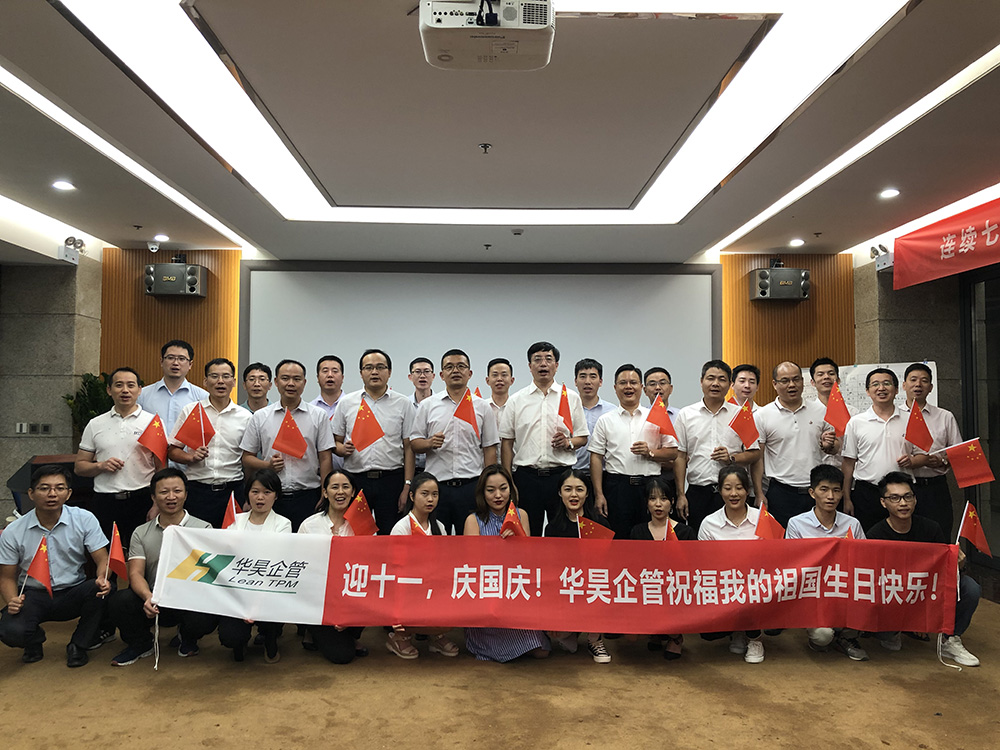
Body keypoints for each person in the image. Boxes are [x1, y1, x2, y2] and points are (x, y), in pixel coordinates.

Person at [0, 465, 111, 667]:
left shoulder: (84, 519)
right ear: (31, 494)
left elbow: (103, 559)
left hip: (73, 591)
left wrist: (103, 577)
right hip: (33, 594)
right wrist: (12, 600)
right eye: (44, 488)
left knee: (102, 589)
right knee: (10, 631)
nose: (52, 494)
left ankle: (78, 645)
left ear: (68, 494)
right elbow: (7, 576)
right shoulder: (14, 531)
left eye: (59, 488)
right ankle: (33, 640)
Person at [867, 472, 980, 667]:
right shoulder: (875, 535)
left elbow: (945, 573)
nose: (903, 503)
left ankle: (950, 638)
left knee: (970, 587)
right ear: (883, 502)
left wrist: (958, 564)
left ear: (915, 499)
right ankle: (894, 631)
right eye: (895, 498)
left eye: (907, 496)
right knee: (886, 635)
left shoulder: (931, 529)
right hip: (893, 595)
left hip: (926, 592)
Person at [108, 468, 217, 666]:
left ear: (186, 494)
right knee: (120, 601)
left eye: (177, 491)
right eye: (164, 492)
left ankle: (188, 637)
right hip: (152, 597)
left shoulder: (204, 529)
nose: (171, 497)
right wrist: (148, 597)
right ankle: (141, 643)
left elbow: (207, 575)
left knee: (207, 612)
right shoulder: (141, 532)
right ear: (153, 497)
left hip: (188, 599)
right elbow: (135, 573)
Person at [462, 464, 550, 661]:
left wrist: (518, 541)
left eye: (503, 488)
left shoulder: (521, 515)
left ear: (511, 489)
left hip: (514, 589)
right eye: (490, 490)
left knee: (542, 652)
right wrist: (501, 548)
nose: (498, 495)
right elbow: (471, 564)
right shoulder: (473, 520)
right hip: (487, 591)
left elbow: (528, 561)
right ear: (482, 493)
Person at [500, 342, 588, 537]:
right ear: (530, 366)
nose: (543, 364)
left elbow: (582, 437)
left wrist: (568, 443)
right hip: (527, 478)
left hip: (561, 477)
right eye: (537, 360)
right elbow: (507, 442)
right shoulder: (516, 400)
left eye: (548, 359)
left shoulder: (571, 397)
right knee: (527, 534)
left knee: (563, 533)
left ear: (556, 365)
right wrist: (509, 480)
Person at [410, 349, 500, 534]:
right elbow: (414, 443)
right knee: (437, 541)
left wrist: (488, 484)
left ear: (470, 373)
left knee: (469, 542)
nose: (456, 370)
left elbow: (490, 448)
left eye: (461, 366)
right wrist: (429, 443)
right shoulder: (428, 405)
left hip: (471, 486)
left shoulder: (482, 406)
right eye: (449, 367)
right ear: (442, 375)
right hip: (437, 488)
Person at [784, 465, 868, 661]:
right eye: (824, 489)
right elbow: (793, 565)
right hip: (813, 592)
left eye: (836, 490)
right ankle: (821, 636)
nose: (831, 496)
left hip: (844, 587)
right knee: (823, 637)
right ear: (812, 493)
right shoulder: (797, 524)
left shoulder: (852, 524)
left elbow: (864, 561)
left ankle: (847, 637)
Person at [240, 359, 334, 531]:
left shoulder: (318, 416)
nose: (291, 383)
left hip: (308, 495)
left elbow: (325, 457)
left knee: (306, 543)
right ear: (276, 382)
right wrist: (267, 466)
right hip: (272, 496)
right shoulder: (260, 416)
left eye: (297, 379)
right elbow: (247, 458)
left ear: (304, 383)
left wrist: (324, 492)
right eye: (285, 378)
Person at [332, 349, 416, 535]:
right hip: (356, 479)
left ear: (389, 372)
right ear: (361, 373)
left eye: (380, 367)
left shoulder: (403, 403)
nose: (374, 372)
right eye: (369, 368)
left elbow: (409, 447)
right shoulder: (346, 403)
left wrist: (407, 485)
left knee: (390, 534)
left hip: (391, 479)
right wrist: (342, 449)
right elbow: (335, 443)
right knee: (355, 534)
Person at [590, 364, 678, 539]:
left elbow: (673, 452)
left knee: (650, 539)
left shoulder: (656, 416)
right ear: (615, 388)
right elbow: (596, 458)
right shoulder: (605, 420)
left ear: (641, 387)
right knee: (619, 539)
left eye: (633, 382)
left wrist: (650, 453)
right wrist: (599, 494)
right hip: (617, 487)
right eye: (623, 383)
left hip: (650, 487)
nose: (628, 387)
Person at [75, 366, 159, 546]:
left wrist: (156, 503)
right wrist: (100, 466)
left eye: (131, 385)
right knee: (108, 553)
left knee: (142, 553)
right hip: (105, 501)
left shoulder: (152, 422)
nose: (125, 390)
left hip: (142, 498)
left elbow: (161, 468)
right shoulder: (95, 424)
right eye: (119, 385)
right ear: (109, 390)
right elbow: (80, 467)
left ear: (139, 390)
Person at [674, 360, 761, 533]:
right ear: (701, 382)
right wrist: (681, 494)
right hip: (698, 492)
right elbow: (680, 456)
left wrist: (732, 459)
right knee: (699, 542)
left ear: (729, 384)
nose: (715, 383)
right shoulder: (686, 414)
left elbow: (754, 453)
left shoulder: (740, 414)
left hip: (733, 493)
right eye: (710, 378)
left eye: (722, 379)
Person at [218, 469, 292, 663]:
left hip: (268, 588)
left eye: (267, 492)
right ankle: (240, 643)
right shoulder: (235, 520)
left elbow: (276, 563)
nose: (260, 497)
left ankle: (270, 639)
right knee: (229, 636)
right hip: (237, 589)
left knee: (272, 612)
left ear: (276, 495)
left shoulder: (283, 524)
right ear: (247, 494)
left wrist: (256, 602)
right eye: (255, 492)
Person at [168, 357, 251, 528]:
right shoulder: (192, 411)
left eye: (226, 376)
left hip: (233, 491)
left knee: (231, 541)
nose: (220, 381)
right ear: (205, 382)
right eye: (214, 376)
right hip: (198, 490)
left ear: (234, 382)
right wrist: (190, 457)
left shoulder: (245, 416)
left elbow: (249, 457)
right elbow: (172, 450)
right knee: (198, 540)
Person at [385, 473, 460, 659]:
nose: (430, 499)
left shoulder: (439, 527)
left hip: (432, 585)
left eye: (435, 494)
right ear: (412, 496)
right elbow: (395, 568)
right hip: (408, 587)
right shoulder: (401, 528)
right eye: (424, 494)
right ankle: (399, 637)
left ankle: (436, 636)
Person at [697, 464, 766, 663]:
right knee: (708, 632)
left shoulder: (762, 519)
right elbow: (704, 563)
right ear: (720, 491)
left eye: (739, 488)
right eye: (727, 488)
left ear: (748, 490)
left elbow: (775, 559)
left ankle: (755, 638)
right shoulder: (709, 523)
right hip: (723, 583)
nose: (734, 494)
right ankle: (738, 630)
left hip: (757, 583)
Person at [543, 469, 612, 663]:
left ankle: (594, 639)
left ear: (588, 493)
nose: (574, 495)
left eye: (579, 489)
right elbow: (551, 568)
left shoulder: (599, 523)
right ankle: (571, 633)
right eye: (568, 489)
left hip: (593, 587)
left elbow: (609, 565)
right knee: (555, 633)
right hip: (566, 588)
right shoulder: (553, 528)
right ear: (560, 493)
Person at [297, 470, 366, 664]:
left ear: (353, 492)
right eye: (334, 487)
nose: (340, 492)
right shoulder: (309, 526)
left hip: (351, 595)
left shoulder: (364, 524)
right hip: (319, 600)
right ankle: (313, 629)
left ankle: (351, 633)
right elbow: (302, 570)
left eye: (345, 487)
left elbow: (370, 567)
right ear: (325, 492)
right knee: (342, 656)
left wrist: (347, 614)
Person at [754, 361, 830, 527]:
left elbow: (835, 448)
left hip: (815, 490)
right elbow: (757, 458)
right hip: (781, 491)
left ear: (803, 381)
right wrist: (759, 493)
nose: (792, 385)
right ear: (774, 384)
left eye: (796, 379)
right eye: (785, 381)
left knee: (815, 538)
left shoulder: (820, 410)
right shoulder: (762, 415)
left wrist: (830, 445)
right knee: (782, 539)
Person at [630, 477, 695, 660]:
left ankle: (675, 636)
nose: (658, 504)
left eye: (664, 499)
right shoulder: (637, 531)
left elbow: (693, 569)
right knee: (631, 636)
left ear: (672, 502)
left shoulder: (685, 532)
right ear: (646, 503)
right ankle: (656, 632)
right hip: (647, 590)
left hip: (676, 591)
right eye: (652, 499)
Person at [842, 368, 910, 532]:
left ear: (896, 389)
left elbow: (923, 455)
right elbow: (848, 463)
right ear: (867, 391)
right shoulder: (856, 422)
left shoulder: (910, 420)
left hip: (902, 494)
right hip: (867, 493)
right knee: (868, 539)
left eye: (887, 383)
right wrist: (846, 498)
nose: (881, 388)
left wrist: (914, 460)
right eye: (875, 384)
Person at [900, 363, 962, 539]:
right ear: (904, 385)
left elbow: (958, 452)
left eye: (924, 381)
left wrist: (942, 461)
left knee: (939, 536)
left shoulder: (944, 416)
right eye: (913, 380)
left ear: (931, 387)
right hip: (903, 488)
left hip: (935, 488)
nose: (918, 385)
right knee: (907, 540)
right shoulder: (895, 416)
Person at [137, 339, 209, 433]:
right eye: (170, 358)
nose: (175, 363)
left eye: (181, 359)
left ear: (190, 364)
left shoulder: (202, 397)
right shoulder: (143, 395)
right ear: (161, 361)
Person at [572, 358, 615, 484]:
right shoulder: (566, 410)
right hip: (573, 473)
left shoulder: (612, 411)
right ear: (575, 381)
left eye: (593, 377)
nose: (587, 382)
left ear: (600, 382)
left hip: (605, 474)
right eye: (582, 376)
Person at [643, 366, 679, 496]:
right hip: (646, 478)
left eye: (663, 383)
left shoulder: (681, 416)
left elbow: (687, 451)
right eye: (652, 384)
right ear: (645, 390)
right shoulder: (641, 417)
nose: (658, 388)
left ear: (671, 388)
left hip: (673, 479)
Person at [809, 357, 852, 467]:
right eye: (820, 374)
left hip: (844, 471)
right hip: (816, 471)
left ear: (838, 380)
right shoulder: (807, 413)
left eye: (831, 373)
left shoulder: (853, 413)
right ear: (812, 382)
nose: (826, 377)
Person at [311, 355, 346, 471]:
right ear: (317, 377)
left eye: (335, 371)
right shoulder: (310, 409)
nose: (330, 375)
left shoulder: (354, 407)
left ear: (342, 377)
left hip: (349, 473)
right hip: (317, 474)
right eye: (325, 371)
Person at [408, 357, 436, 472]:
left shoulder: (442, 404)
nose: (422, 376)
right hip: (410, 468)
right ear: (410, 377)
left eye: (427, 371)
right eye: (418, 372)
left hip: (435, 467)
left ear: (433, 376)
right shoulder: (405, 405)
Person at [485, 357, 515, 429]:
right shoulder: (482, 407)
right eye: (495, 375)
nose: (499, 379)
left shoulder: (517, 407)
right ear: (487, 380)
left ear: (512, 380)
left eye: (504, 375)